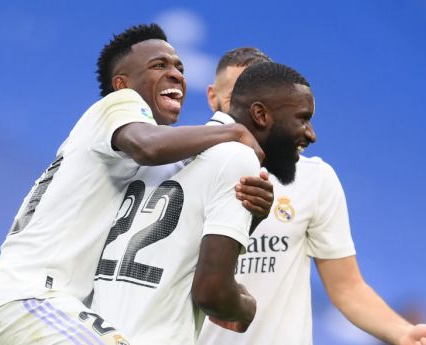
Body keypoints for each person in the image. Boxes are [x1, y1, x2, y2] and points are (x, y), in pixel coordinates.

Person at [0, 24, 272, 345]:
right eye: (159, 65)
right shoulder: (118, 106)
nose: (176, 74)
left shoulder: (127, 154)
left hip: (48, 310)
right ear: (122, 84)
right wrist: (235, 132)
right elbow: (149, 146)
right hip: (33, 299)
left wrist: (249, 209)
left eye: (179, 68)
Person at [198, 48, 426, 345]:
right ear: (212, 98)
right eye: (235, 98)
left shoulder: (314, 179)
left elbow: (347, 288)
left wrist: (400, 331)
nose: (252, 114)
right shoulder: (186, 169)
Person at [91, 61, 316, 345]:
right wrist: (246, 307)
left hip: (89, 333)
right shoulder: (237, 157)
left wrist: (252, 220)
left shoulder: (167, 151)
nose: (311, 134)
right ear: (260, 114)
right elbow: (212, 293)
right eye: (303, 118)